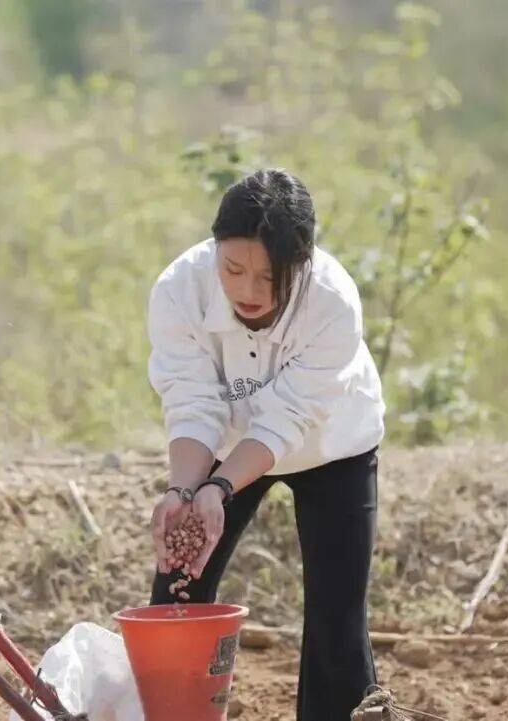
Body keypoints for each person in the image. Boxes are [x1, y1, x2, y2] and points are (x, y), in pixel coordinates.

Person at [146, 168, 385, 720]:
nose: (248, 291)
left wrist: (222, 485)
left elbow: (291, 417)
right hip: (224, 447)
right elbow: (192, 399)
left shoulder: (332, 301)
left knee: (337, 622)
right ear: (214, 250)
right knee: (178, 591)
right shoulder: (179, 289)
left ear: (300, 264)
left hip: (332, 445)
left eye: (270, 277)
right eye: (233, 269)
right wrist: (187, 489)